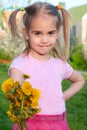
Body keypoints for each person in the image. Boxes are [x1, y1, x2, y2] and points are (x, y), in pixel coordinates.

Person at [8, 2, 85, 130]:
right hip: (30, 123)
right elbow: (15, 75)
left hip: (58, 123)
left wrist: (64, 96)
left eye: (50, 33)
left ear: (57, 32)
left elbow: (80, 80)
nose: (45, 40)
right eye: (38, 33)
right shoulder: (21, 63)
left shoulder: (60, 64)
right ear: (26, 33)